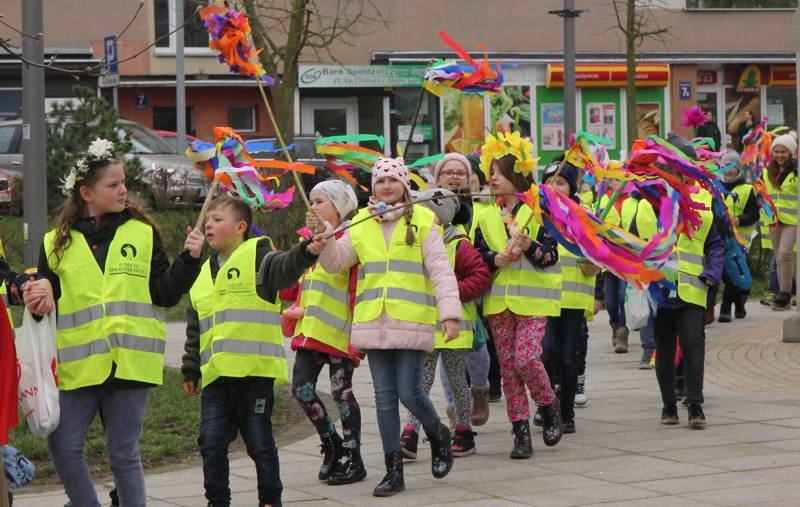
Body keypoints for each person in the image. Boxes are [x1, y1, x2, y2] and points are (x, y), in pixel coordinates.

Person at [23, 138, 205, 507]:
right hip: (77, 366)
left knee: (123, 453)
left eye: (124, 183)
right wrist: (38, 297)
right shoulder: (54, 241)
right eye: (113, 184)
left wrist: (189, 260)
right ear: (86, 192)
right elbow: (46, 298)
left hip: (131, 363)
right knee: (63, 445)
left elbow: (165, 294)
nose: (124, 190)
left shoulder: (142, 231)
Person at [309, 156, 460, 497]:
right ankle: (394, 471)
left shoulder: (423, 219)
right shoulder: (363, 221)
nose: (387, 187)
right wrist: (326, 238)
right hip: (374, 323)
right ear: (373, 187)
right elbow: (335, 263)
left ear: (405, 185)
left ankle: (438, 433)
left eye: (393, 181)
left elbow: (440, 270)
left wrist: (449, 313)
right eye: (381, 181)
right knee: (384, 398)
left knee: (410, 393)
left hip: (411, 321)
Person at [182, 195, 325, 506]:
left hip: (254, 377)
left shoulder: (260, 258)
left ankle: (270, 500)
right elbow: (196, 328)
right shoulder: (202, 272)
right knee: (210, 442)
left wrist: (306, 250)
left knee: (259, 444)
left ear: (240, 227)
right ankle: (217, 501)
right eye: (208, 219)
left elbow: (287, 265)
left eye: (218, 219)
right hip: (217, 380)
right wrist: (191, 366)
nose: (209, 224)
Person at [473, 133, 563, 460]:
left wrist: (530, 247)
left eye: (498, 171)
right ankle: (520, 431)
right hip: (499, 304)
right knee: (508, 370)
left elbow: (552, 256)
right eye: (490, 171)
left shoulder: (539, 212)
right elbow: (474, 257)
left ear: (516, 173)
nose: (491, 177)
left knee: (526, 359)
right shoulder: (483, 216)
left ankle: (549, 404)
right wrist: (492, 259)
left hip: (534, 302)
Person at [278, 180, 366, 486]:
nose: (312, 207)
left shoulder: (353, 237)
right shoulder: (308, 241)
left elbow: (354, 283)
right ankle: (332, 443)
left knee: (343, 395)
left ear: (339, 209)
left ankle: (354, 458)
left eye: (320, 201)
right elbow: (290, 283)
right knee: (301, 389)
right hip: (312, 330)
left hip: (341, 332)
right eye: (311, 201)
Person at [401, 188, 492, 459]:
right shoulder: (413, 240)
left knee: (455, 381)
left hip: (456, 328)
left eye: (425, 210)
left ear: (440, 216)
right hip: (426, 326)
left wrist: (452, 293)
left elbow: (481, 276)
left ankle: (464, 432)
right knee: (420, 382)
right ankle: (410, 433)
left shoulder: (458, 244)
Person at [654, 133, 724, 428]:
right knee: (665, 347)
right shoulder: (648, 197)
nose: (676, 171)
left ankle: (695, 404)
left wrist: (713, 272)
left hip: (693, 286)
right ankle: (669, 404)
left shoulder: (703, 197)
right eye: (671, 164)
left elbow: (716, 243)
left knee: (693, 343)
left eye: (681, 164)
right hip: (659, 288)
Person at [431, 153, 496, 425]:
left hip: (479, 286)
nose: (454, 176)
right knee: (451, 351)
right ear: (438, 178)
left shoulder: (480, 208)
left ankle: (480, 390)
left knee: (479, 349)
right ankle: (454, 408)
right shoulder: (429, 206)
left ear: (470, 178)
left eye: (461, 172)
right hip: (447, 295)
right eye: (448, 172)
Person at [540, 157, 601, 434]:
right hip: (543, 295)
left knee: (567, 355)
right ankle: (546, 405)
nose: (554, 187)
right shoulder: (536, 214)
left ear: (571, 186)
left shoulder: (583, 214)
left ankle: (566, 411)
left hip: (574, 297)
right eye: (550, 182)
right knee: (545, 351)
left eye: (561, 182)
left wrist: (594, 265)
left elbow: (599, 254)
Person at [717, 150, 759, 321]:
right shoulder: (716, 187)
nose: (728, 170)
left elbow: (755, 214)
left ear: (738, 168)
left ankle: (726, 308)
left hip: (740, 241)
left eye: (732, 166)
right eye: (725, 166)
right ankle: (739, 303)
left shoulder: (747, 189)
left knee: (734, 272)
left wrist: (740, 220)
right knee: (725, 273)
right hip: (721, 239)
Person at [760, 133, 798, 310]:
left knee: (784, 254)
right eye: (776, 151)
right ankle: (784, 296)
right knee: (779, 257)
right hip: (774, 220)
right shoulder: (767, 171)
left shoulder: (796, 171)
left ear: (790, 152)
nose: (779, 155)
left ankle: (784, 294)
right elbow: (762, 193)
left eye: (783, 151)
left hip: (793, 220)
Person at [597, 179, 629, 352]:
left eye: (621, 178)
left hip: (627, 259)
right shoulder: (602, 202)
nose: (618, 182)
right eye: (614, 179)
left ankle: (623, 333)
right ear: (608, 183)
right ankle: (615, 325)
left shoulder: (633, 201)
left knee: (623, 295)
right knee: (610, 301)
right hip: (608, 260)